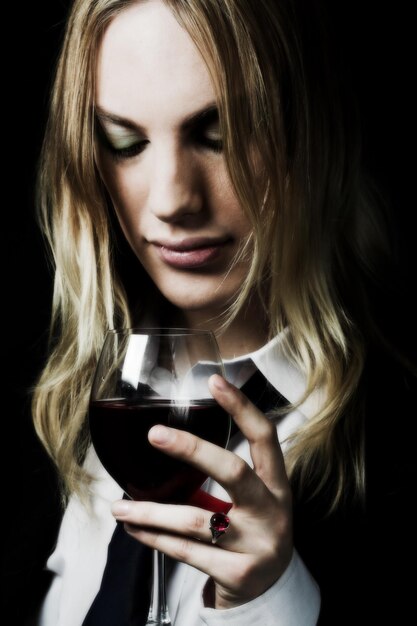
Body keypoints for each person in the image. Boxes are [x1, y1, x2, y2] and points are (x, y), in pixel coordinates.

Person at [9, 0, 416, 624]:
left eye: (219, 135)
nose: (173, 198)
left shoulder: (396, 438)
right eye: (126, 142)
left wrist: (270, 602)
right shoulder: (60, 412)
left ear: (310, 132)